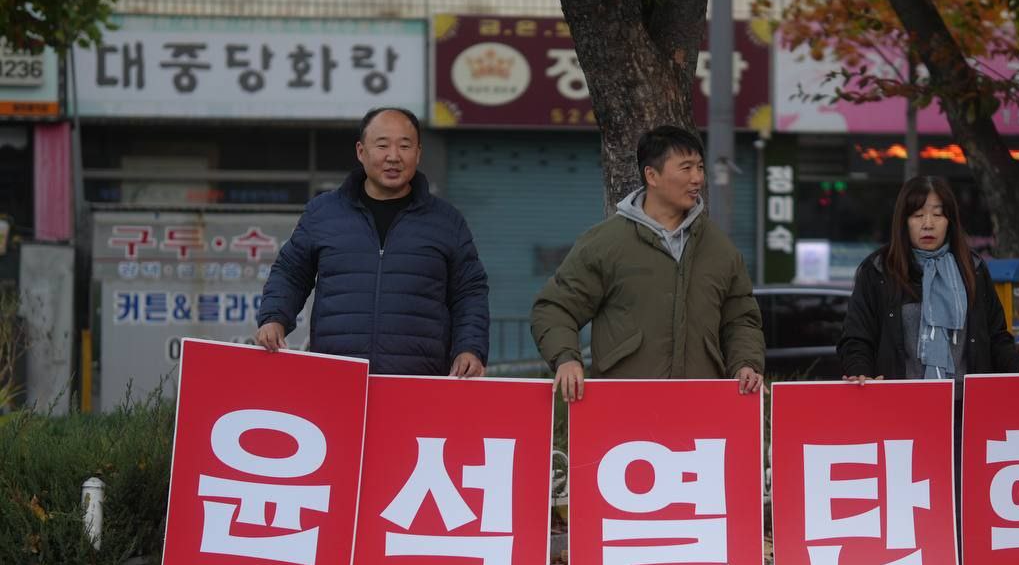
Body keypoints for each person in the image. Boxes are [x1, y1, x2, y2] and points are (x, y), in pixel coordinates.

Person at [530, 125, 765, 401]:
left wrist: (745, 364)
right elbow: (554, 308)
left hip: (701, 404)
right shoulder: (606, 243)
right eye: (686, 168)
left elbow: (741, 319)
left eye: (700, 168)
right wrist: (567, 359)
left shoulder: (719, 248)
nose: (697, 178)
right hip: (623, 405)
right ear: (651, 175)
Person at [256, 106, 489, 377]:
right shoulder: (323, 213)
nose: (393, 156)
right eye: (382, 145)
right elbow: (291, 273)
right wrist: (274, 318)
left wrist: (470, 348)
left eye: (405, 146)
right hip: (337, 377)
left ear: (418, 153)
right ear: (361, 151)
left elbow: (469, 292)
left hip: (417, 381)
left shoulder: (446, 221)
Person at [838, 175, 1019, 387]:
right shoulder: (878, 271)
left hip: (966, 404)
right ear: (903, 222)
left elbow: (996, 338)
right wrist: (861, 373)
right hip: (901, 403)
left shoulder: (972, 269)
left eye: (937, 215)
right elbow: (856, 338)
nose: (928, 224)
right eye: (917, 215)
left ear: (950, 221)